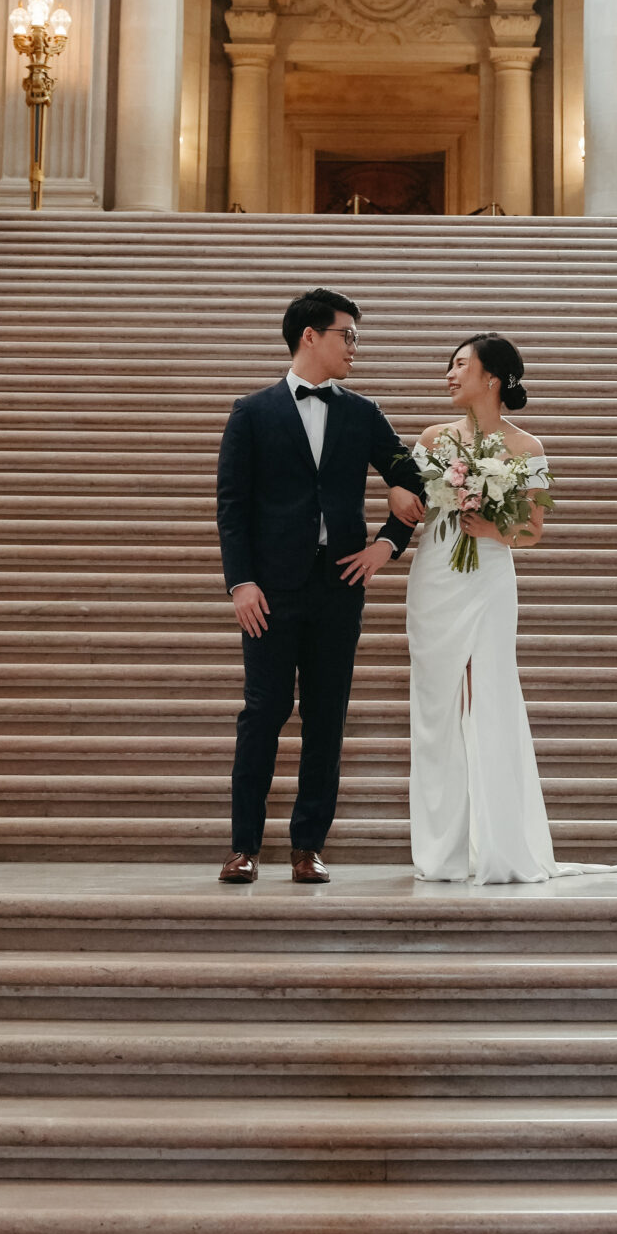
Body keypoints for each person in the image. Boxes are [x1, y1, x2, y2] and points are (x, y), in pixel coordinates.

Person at [217, 286, 425, 884]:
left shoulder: (363, 413)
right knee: (264, 712)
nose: (356, 347)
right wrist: (241, 583)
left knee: (327, 717)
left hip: (339, 585)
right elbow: (231, 508)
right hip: (270, 591)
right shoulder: (251, 413)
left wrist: (388, 541)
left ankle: (308, 846)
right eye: (347, 335)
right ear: (310, 336)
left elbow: (416, 479)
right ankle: (243, 847)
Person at [406, 333, 617, 883]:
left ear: (491, 377)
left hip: (489, 580)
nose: (449, 376)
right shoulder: (432, 437)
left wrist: (492, 527)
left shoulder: (527, 450)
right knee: (435, 712)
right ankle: (440, 854)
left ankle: (501, 847)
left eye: (459, 365)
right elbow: (405, 499)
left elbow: (534, 529)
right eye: (448, 366)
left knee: (491, 699)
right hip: (435, 576)